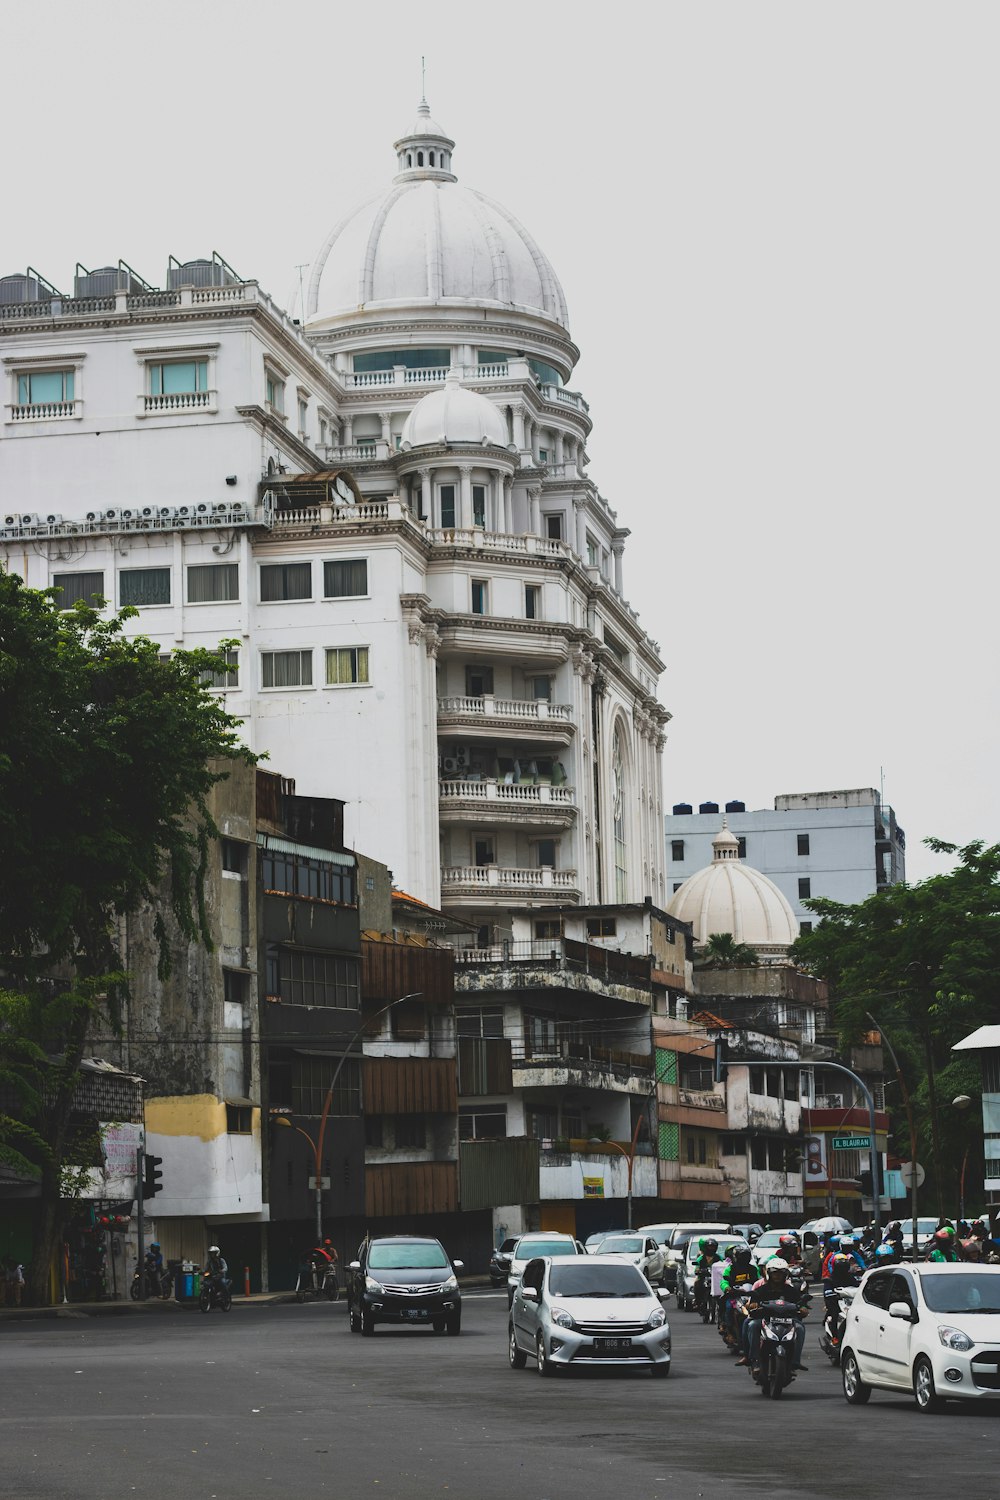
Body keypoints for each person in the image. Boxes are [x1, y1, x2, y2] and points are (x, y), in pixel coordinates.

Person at [736, 1258, 808, 1374]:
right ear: (769, 1274)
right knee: (753, 1325)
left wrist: (803, 1309)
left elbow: (801, 1305)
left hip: (788, 1320)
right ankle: (754, 1360)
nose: (777, 1276)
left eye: (781, 1273)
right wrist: (753, 1305)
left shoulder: (791, 1291)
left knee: (800, 1328)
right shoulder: (761, 1289)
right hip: (765, 1320)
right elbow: (751, 1304)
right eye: (775, 1273)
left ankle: (795, 1361)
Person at [719, 1245, 756, 1349]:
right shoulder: (730, 1269)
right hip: (734, 1295)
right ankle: (727, 1329)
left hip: (749, 1295)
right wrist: (727, 1287)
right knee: (728, 1307)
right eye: (741, 1256)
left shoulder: (753, 1269)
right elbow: (724, 1281)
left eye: (746, 1256)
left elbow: (758, 1280)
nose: (743, 1258)